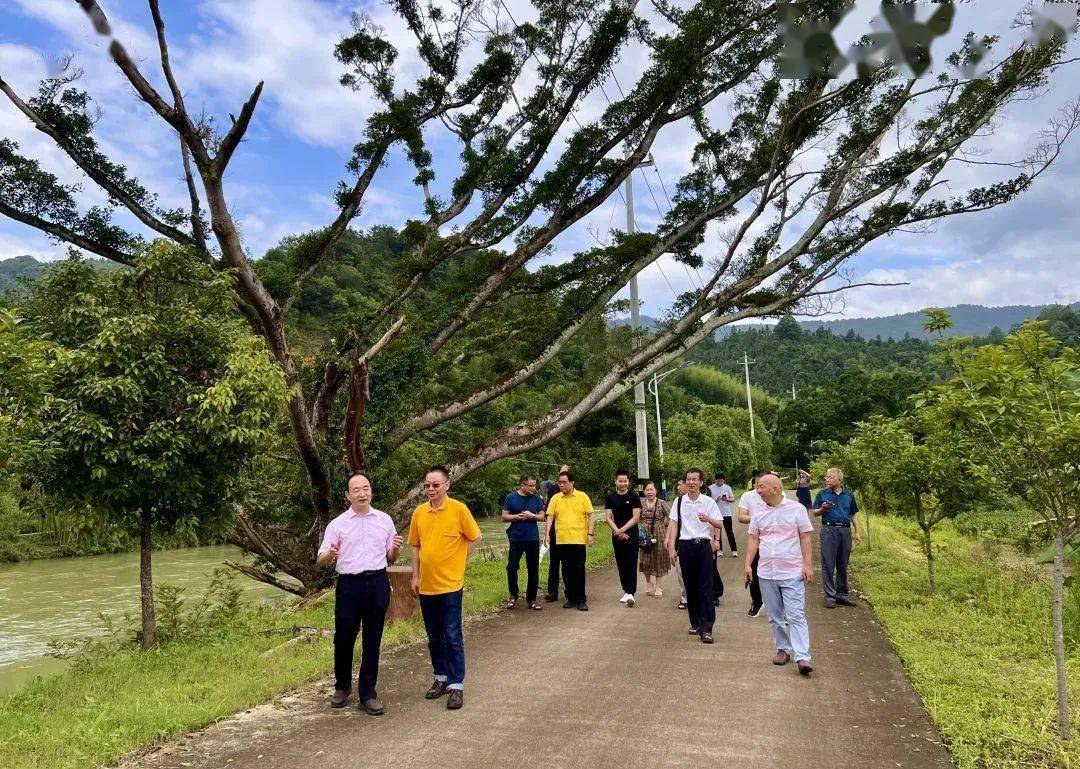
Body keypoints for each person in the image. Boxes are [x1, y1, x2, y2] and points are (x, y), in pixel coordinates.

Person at [317, 472, 403, 715]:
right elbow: (321, 560)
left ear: (371, 491)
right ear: (348, 495)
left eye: (365, 488)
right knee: (343, 638)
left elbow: (390, 557)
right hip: (349, 585)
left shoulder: (385, 520)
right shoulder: (337, 524)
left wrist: (395, 549)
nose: (362, 493)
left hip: (377, 582)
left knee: (372, 639)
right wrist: (329, 554)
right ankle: (342, 687)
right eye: (356, 490)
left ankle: (368, 693)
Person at [408, 466, 482, 710]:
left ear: (447, 485)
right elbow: (415, 546)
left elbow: (475, 538)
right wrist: (415, 576)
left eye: (436, 485)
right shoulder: (419, 513)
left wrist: (460, 561)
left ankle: (456, 685)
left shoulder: (459, 509)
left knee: (452, 635)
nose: (431, 489)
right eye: (427, 485)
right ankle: (440, 678)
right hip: (427, 586)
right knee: (434, 637)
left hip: (451, 585)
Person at [743, 473, 815, 675]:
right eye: (757, 487)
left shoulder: (796, 509)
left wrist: (808, 565)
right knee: (775, 616)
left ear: (775, 488)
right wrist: (748, 564)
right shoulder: (758, 512)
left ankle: (802, 657)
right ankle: (783, 649)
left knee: (796, 615)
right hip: (766, 572)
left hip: (791, 572)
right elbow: (753, 538)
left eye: (761, 486)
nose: (758, 490)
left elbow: (806, 537)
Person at [665, 468, 723, 644]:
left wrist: (708, 519)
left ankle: (707, 628)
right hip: (685, 546)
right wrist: (671, 549)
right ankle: (696, 623)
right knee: (690, 587)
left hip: (703, 546)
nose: (691, 482)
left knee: (705, 587)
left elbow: (719, 523)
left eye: (695, 479)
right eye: (689, 479)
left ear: (701, 482)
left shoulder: (708, 502)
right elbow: (674, 524)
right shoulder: (679, 501)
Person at [809, 467, 862, 608]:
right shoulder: (822, 494)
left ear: (839, 479)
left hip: (845, 530)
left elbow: (853, 514)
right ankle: (829, 595)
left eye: (830, 477)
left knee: (843, 563)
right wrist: (822, 509)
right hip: (828, 530)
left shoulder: (849, 495)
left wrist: (857, 531)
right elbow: (815, 512)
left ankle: (841, 594)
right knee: (828, 563)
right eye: (826, 477)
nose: (827, 479)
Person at [544, 469, 595, 611]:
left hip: (578, 540)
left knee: (578, 570)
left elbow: (591, 515)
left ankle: (581, 599)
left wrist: (590, 534)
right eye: (559, 482)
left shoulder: (582, 496)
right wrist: (547, 534)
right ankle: (570, 598)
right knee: (566, 570)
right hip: (561, 540)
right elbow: (550, 517)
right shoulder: (555, 498)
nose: (561, 485)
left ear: (572, 482)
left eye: (564, 482)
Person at [501, 474, 545, 611]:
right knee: (512, 567)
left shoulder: (536, 498)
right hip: (516, 538)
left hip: (532, 538)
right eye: (531, 485)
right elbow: (504, 516)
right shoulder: (511, 497)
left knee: (533, 569)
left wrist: (532, 516)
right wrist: (517, 516)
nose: (534, 488)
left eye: (534, 485)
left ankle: (531, 599)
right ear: (522, 485)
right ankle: (513, 595)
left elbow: (542, 516)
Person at [605, 470, 642, 606]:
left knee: (631, 562)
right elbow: (608, 517)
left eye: (625, 481)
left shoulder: (634, 496)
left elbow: (636, 517)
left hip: (631, 534)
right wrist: (617, 532)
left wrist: (622, 530)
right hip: (616, 534)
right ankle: (625, 590)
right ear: (616, 481)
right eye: (620, 481)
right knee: (620, 562)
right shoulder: (610, 497)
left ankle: (631, 592)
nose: (623, 484)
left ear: (628, 482)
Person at [737, 469, 765, 618]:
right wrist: (757, 518)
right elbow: (741, 517)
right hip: (755, 538)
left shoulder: (778, 495)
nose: (759, 487)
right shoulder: (748, 496)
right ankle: (756, 601)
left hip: (774, 541)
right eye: (756, 483)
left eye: (762, 484)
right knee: (753, 571)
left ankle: (781, 609)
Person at [639, 481, 672, 597]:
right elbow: (637, 517)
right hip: (645, 535)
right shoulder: (641, 503)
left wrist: (665, 527)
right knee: (645, 559)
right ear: (644, 491)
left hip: (659, 534)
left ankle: (659, 587)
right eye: (647, 490)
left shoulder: (662, 503)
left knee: (658, 560)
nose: (649, 492)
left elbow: (671, 517)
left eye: (651, 489)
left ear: (656, 491)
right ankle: (649, 583)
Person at [544, 464, 571, 603]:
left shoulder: (575, 491)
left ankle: (569, 592)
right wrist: (547, 533)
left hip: (569, 534)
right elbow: (548, 513)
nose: (562, 484)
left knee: (567, 564)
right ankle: (552, 592)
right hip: (555, 533)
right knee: (554, 563)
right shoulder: (553, 490)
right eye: (562, 472)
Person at [709, 471, 738, 557]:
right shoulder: (710, 488)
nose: (720, 483)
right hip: (715, 514)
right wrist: (716, 500)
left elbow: (733, 499)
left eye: (722, 481)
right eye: (718, 481)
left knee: (729, 532)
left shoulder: (727, 488)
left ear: (724, 480)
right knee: (717, 532)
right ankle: (719, 550)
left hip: (726, 513)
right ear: (715, 480)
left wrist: (726, 499)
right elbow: (708, 501)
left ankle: (734, 550)